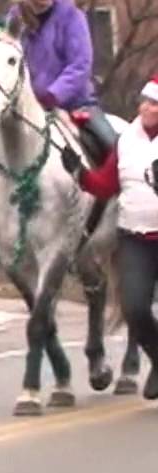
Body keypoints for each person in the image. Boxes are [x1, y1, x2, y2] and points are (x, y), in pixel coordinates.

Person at [74, 75, 158, 398]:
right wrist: (81, 175)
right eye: (145, 102)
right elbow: (106, 185)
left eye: (154, 104)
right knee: (135, 308)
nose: (147, 108)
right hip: (135, 237)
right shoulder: (126, 141)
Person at [0, 1, 116, 190]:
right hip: (26, 109)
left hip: (75, 104)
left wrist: (53, 95)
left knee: (114, 148)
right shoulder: (15, 20)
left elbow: (80, 65)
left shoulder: (71, 16)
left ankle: (120, 202)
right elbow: (6, 61)